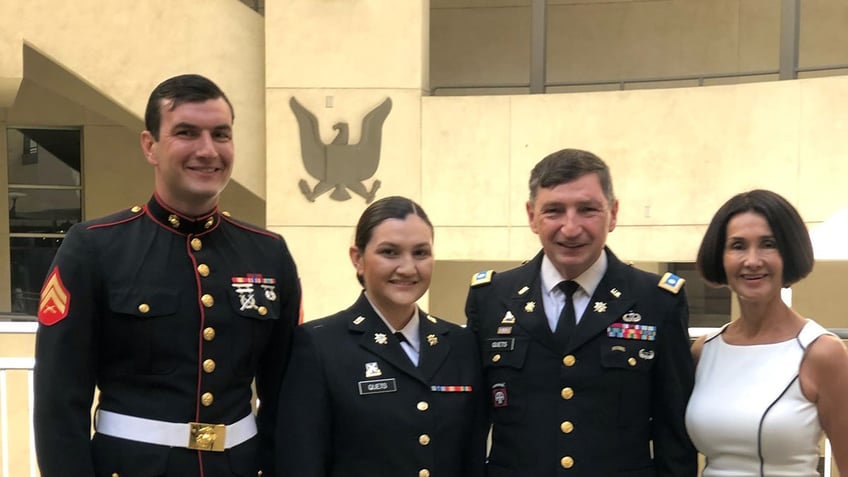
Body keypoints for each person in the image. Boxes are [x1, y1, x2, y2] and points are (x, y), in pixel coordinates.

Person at [33, 74, 301, 477]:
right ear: (150, 146)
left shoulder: (268, 252)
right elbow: (59, 401)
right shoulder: (94, 247)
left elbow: (285, 396)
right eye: (186, 133)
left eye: (221, 134)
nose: (207, 150)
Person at [466, 148, 697, 477]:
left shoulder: (656, 300)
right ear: (532, 216)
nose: (570, 228)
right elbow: (471, 424)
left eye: (587, 210)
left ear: (613, 213)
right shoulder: (491, 299)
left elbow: (674, 431)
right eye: (554, 211)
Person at [276, 196, 487, 477]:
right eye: (390, 252)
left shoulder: (460, 344)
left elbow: (471, 458)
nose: (408, 268)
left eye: (421, 253)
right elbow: (302, 463)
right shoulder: (319, 345)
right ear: (358, 259)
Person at [686, 189, 848, 476]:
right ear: (720, 257)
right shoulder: (703, 351)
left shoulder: (822, 353)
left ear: (789, 253)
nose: (752, 260)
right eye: (737, 245)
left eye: (768, 244)